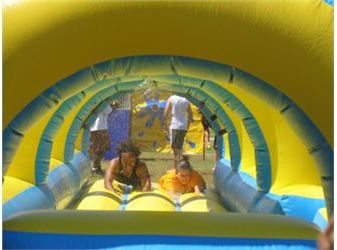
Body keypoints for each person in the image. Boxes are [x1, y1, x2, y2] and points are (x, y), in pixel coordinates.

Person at [163, 95, 194, 163]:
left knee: (175, 149)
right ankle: (180, 165)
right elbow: (191, 116)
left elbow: (165, 114)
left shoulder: (171, 98)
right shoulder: (186, 100)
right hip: (183, 125)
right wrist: (187, 125)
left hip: (175, 125)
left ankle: (178, 167)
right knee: (179, 147)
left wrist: (165, 125)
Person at [89, 102, 118, 175]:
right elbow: (107, 111)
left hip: (93, 128)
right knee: (100, 149)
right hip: (100, 128)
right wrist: (113, 106)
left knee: (96, 148)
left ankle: (96, 167)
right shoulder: (104, 102)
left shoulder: (93, 101)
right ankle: (95, 167)